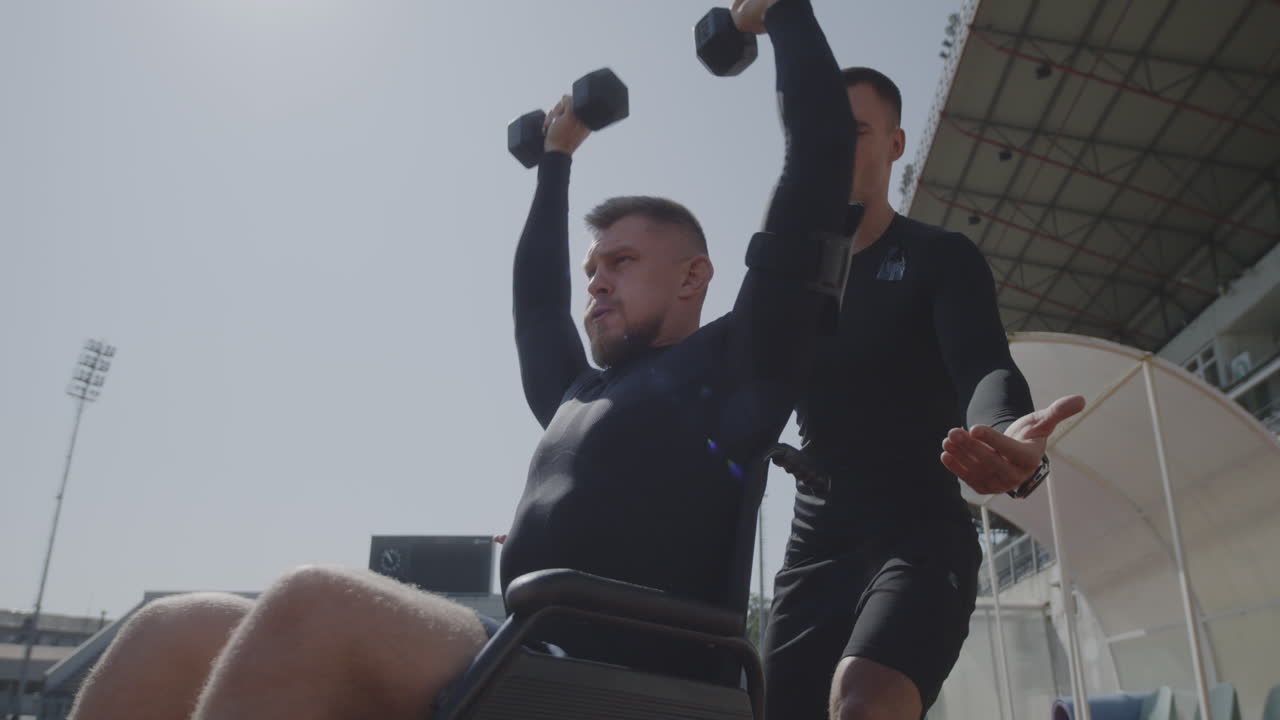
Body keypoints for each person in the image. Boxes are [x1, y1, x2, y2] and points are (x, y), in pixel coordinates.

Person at [65, 1, 853, 718]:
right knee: (173, 629)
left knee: (316, 600)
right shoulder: (574, 392)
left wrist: (781, 16)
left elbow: (821, 159)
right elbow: (536, 305)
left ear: (692, 277)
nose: (597, 281)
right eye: (592, 269)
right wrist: (557, 157)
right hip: (520, 653)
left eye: (621, 262)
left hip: (635, 680)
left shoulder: (742, 364)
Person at [760, 66, 1087, 720]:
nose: (837, 146)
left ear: (895, 144)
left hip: (918, 531)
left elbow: (985, 366)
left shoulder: (942, 258)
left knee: (862, 700)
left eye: (855, 130)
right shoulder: (786, 289)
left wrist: (1008, 429)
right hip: (815, 542)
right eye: (823, 131)